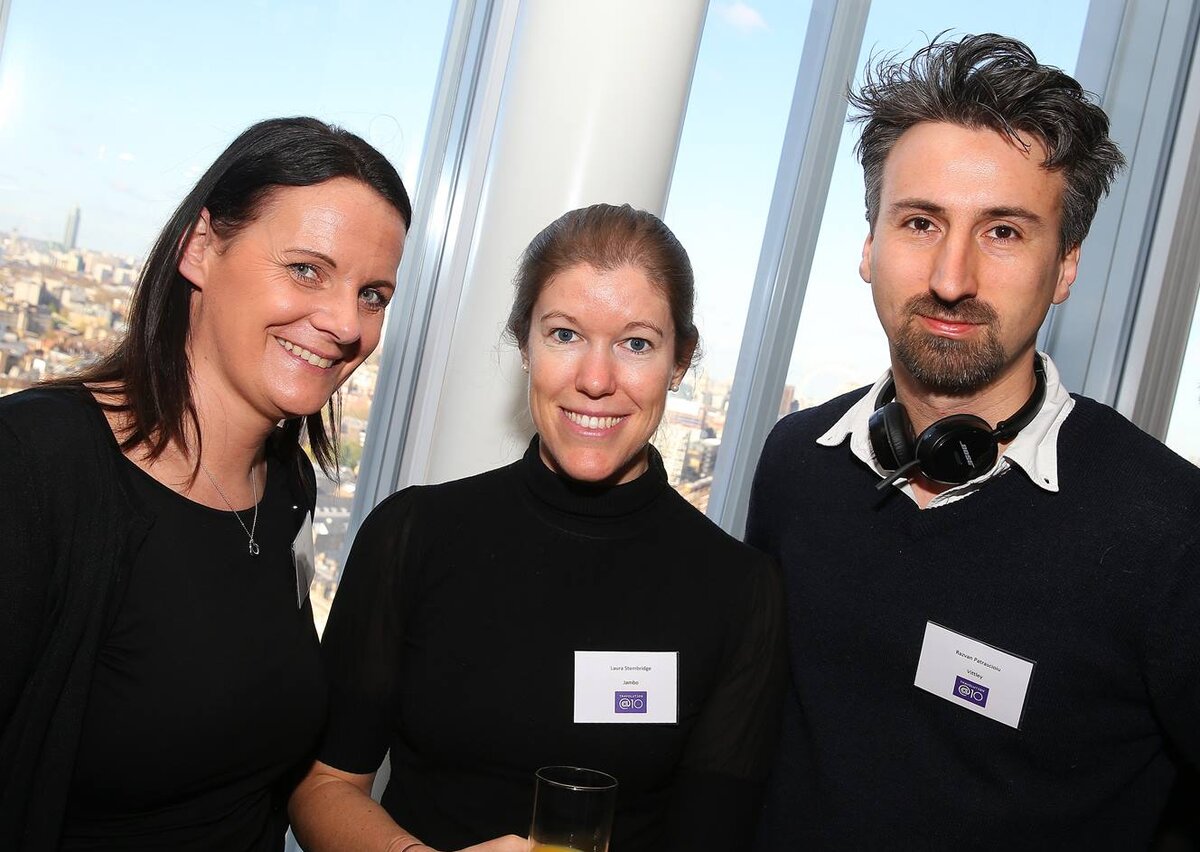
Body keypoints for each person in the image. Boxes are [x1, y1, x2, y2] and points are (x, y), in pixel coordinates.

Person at [748, 33, 1200, 848]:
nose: (952, 278)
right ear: (869, 245)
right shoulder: (796, 461)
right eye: (920, 222)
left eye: (1004, 232)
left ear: (1065, 266)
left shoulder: (1172, 531)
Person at [290, 203, 786, 852]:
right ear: (525, 344)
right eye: (564, 335)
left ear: (680, 361)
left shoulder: (740, 593)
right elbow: (324, 786)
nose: (596, 380)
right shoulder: (412, 536)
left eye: (637, 344)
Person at [0, 117, 411, 850]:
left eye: (373, 294)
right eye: (306, 270)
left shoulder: (286, 489)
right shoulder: (34, 466)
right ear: (199, 248)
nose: (346, 323)